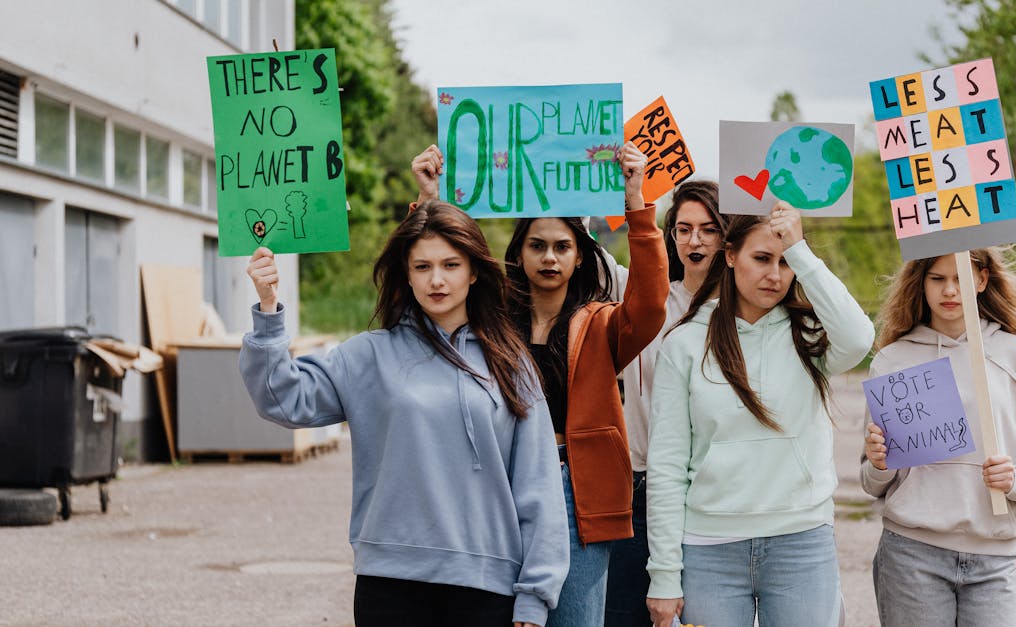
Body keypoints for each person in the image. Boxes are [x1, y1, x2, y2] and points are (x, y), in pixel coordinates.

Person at [239, 202, 569, 627]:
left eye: (451, 265)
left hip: (486, 586)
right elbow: (281, 398)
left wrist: (536, 593)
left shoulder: (510, 362)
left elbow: (537, 482)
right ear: (407, 275)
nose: (436, 280)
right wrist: (268, 310)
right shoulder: (370, 354)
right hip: (390, 583)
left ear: (473, 271)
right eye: (422, 266)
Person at [411, 141, 669, 627]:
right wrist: (428, 200)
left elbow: (651, 304)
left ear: (579, 256)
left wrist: (636, 200)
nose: (549, 257)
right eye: (537, 245)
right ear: (519, 252)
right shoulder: (487, 323)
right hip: (496, 487)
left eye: (562, 247)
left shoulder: (602, 325)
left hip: (577, 494)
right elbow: (429, 287)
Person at [646, 204, 874, 627]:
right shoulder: (685, 344)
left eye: (785, 263)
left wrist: (800, 250)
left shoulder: (811, 336)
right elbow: (667, 466)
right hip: (709, 547)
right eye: (762, 258)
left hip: (801, 541)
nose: (775, 274)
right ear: (731, 256)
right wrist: (663, 575)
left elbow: (860, 338)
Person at [861, 249, 1016, 627]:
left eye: (961, 278)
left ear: (983, 279)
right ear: (921, 283)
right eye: (937, 279)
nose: (950, 290)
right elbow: (872, 482)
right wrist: (879, 463)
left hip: (996, 560)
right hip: (912, 556)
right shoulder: (892, 361)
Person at [605, 181, 728, 627]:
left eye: (709, 229)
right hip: (640, 490)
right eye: (683, 229)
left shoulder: (746, 313)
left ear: (727, 237)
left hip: (710, 496)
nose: (695, 240)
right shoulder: (642, 298)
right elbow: (581, 250)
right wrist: (631, 195)